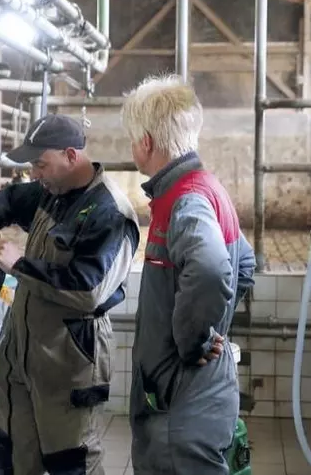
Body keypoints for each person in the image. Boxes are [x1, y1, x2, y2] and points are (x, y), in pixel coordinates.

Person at [0, 114, 140, 475]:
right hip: (22, 355)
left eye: (40, 164)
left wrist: (20, 265)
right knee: (12, 455)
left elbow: (89, 289)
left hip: (69, 360)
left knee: (70, 462)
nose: (34, 173)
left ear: (71, 156)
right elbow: (9, 198)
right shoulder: (53, 191)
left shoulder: (109, 212)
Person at [120, 74, 256, 474]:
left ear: (145, 142)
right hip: (198, 393)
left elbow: (214, 271)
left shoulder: (185, 199)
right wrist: (213, 322)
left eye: (133, 139)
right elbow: (244, 265)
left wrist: (194, 341)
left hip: (179, 400)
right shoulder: (206, 186)